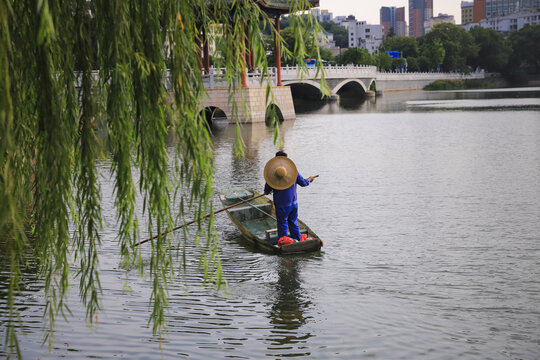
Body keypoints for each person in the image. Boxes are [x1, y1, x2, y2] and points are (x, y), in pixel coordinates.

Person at [263, 151, 316, 242]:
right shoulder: (294, 172)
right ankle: (297, 240)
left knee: (282, 224)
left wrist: (268, 191)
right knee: (293, 222)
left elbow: (267, 190)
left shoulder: (273, 174)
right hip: (293, 203)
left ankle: (284, 242)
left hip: (282, 205)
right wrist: (309, 180)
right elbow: (303, 183)